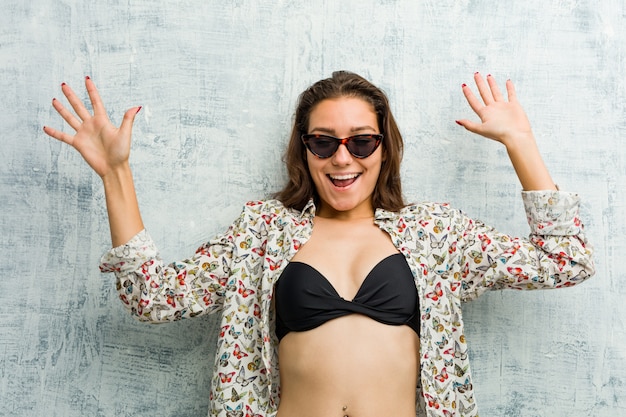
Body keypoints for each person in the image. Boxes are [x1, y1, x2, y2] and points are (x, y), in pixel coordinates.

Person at [44, 71, 595, 417]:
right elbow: (154, 298)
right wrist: (116, 175)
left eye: (361, 140)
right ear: (304, 149)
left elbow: (565, 258)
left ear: (385, 147)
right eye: (323, 141)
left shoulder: (436, 235)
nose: (342, 157)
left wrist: (519, 142)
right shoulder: (263, 232)